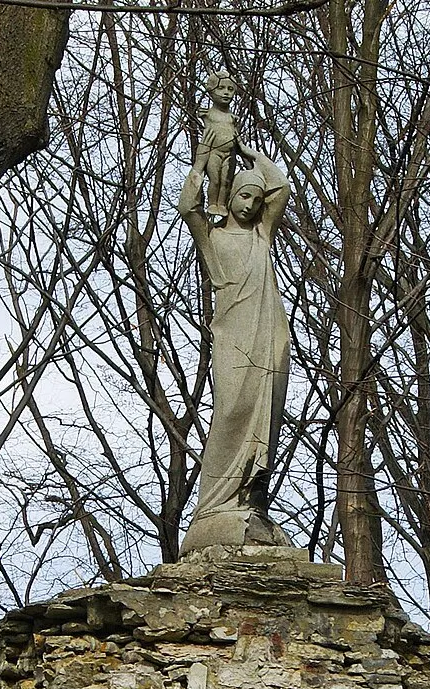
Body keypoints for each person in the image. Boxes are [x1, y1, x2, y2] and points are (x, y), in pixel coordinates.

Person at [177, 150, 295, 554]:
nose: (249, 205)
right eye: (243, 197)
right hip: (233, 338)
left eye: (255, 201)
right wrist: (205, 162)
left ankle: (250, 500)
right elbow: (189, 207)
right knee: (230, 412)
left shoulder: (262, 236)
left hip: (268, 336)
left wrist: (248, 151)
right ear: (229, 197)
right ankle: (213, 508)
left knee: (268, 421)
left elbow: (280, 186)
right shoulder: (211, 239)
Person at [195, 71, 251, 221]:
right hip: (214, 152)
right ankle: (212, 203)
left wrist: (243, 147)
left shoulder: (232, 118)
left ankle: (222, 204)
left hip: (229, 153)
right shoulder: (208, 114)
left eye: (230, 89)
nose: (226, 93)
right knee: (215, 180)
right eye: (221, 88)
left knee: (226, 181)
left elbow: (236, 136)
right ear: (211, 90)